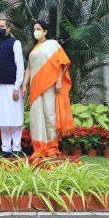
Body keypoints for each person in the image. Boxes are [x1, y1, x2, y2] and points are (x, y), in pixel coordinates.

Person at [22, 20, 74, 159]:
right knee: (36, 116)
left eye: (38, 29)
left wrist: (59, 81)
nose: (36, 31)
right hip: (35, 86)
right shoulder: (33, 49)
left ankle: (51, 147)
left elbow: (63, 63)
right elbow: (29, 68)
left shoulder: (53, 45)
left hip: (50, 85)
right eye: (34, 29)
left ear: (45, 31)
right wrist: (24, 84)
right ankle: (39, 147)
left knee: (50, 115)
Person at [0, 18, 25, 158]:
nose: (0, 28)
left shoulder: (15, 43)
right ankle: (6, 149)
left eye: (2, 26)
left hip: (12, 86)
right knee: (3, 118)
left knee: (15, 117)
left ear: (9, 28)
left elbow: (20, 66)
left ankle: (16, 148)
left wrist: (17, 87)